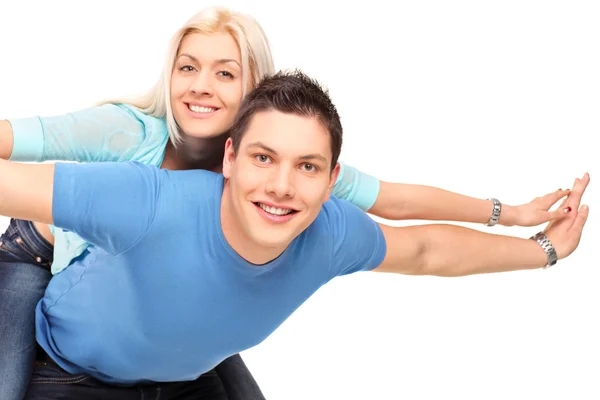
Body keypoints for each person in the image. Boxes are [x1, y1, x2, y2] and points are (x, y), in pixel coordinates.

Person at [0, 6, 574, 400]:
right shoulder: (131, 143)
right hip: (40, 251)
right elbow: (23, 144)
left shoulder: (300, 181)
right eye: (188, 68)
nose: (202, 86)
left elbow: (408, 223)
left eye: (225, 73)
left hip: (177, 309)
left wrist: (522, 223)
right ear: (230, 156)